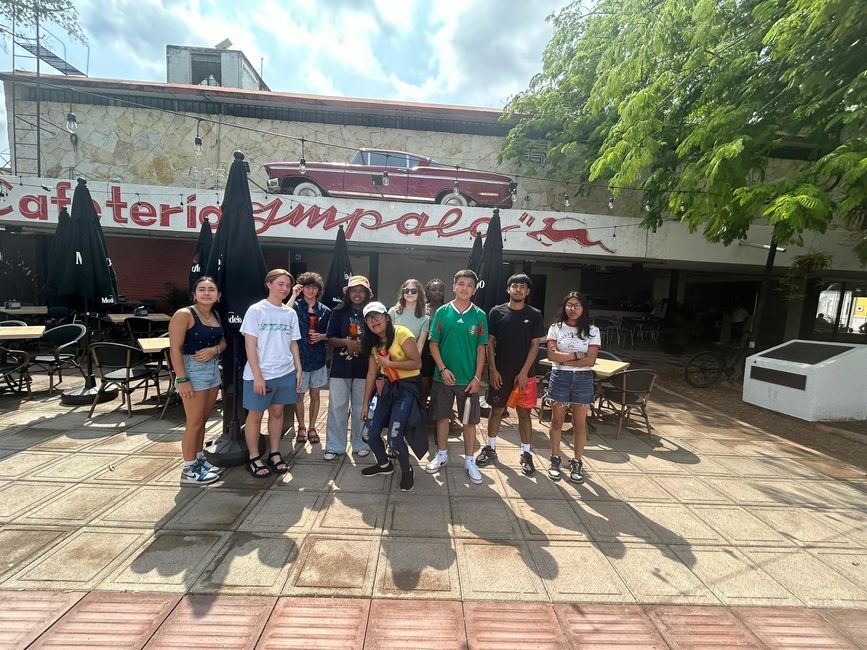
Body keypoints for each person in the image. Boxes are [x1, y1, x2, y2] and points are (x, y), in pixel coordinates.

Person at [424, 269, 488, 484]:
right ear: (454, 287)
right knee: (442, 417)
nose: (464, 288)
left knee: (469, 422)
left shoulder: (479, 315)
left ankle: (469, 460)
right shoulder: (442, 312)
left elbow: (482, 349)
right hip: (444, 378)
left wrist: (477, 378)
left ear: (474, 289)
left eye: (469, 285)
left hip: (468, 381)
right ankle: (441, 454)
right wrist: (443, 369)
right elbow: (433, 343)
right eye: (461, 283)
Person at [477, 274, 544, 476]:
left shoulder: (534, 314)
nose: (518, 290)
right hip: (500, 372)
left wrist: (524, 372)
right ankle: (490, 448)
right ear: (508, 289)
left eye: (522, 287)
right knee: (496, 411)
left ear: (528, 291)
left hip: (526, 375)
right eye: (514, 286)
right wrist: (493, 369)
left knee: (524, 414)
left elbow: (535, 345)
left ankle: (525, 453)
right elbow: (489, 342)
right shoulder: (496, 312)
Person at [240, 269, 303, 478]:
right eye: (280, 284)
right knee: (255, 415)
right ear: (269, 284)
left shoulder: (290, 313)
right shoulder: (256, 310)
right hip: (260, 374)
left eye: (287, 285)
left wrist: (298, 368)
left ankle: (274, 453)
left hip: (285, 372)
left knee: (278, 413)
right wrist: (258, 376)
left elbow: (293, 343)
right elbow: (250, 345)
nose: (284, 289)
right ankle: (254, 457)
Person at [358, 302, 423, 491]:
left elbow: (417, 363)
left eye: (377, 315)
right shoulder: (372, 343)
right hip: (385, 389)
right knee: (368, 434)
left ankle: (407, 469)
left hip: (406, 389)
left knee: (394, 438)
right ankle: (384, 465)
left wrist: (389, 363)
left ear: (387, 317)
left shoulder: (402, 333)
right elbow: (371, 374)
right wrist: (364, 404)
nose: (374, 320)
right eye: (369, 318)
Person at [168, 276, 227, 485]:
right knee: (193, 423)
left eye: (211, 289)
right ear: (194, 294)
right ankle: (189, 468)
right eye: (202, 289)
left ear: (218, 295)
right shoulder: (184, 314)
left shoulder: (215, 314)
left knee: (203, 420)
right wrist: (182, 379)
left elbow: (223, 340)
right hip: (192, 370)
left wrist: (215, 349)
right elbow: (174, 349)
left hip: (212, 369)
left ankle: (199, 459)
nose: (207, 292)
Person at [545, 292, 600, 483]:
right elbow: (552, 357)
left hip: (583, 379)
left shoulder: (593, 331)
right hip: (560, 376)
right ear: (564, 307)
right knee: (557, 421)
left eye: (577, 305)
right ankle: (555, 458)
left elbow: (591, 360)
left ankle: (577, 461)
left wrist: (565, 356)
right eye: (569, 305)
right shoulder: (555, 328)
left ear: (583, 308)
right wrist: (577, 356)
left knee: (579, 424)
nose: (572, 309)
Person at [324, 274, 373, 460]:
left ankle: (360, 443)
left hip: (364, 368)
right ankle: (335, 445)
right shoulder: (338, 312)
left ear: (367, 294)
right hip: (340, 368)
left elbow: (379, 339)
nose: (357, 294)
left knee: (362, 407)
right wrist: (346, 341)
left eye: (361, 291)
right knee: (337, 407)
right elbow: (330, 339)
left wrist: (363, 345)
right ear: (348, 293)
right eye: (354, 290)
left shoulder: (372, 314)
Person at [291, 272, 331, 445]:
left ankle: (312, 427)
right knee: (299, 396)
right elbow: (283, 313)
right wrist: (293, 295)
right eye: (307, 286)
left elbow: (331, 334)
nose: (311, 290)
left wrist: (322, 337)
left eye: (314, 287)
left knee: (315, 395)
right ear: (302, 288)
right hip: (298, 358)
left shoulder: (325, 311)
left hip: (317, 358)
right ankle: (301, 426)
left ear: (318, 289)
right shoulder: (295, 307)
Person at [419, 278, 445, 407]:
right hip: (424, 352)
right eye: (434, 289)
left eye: (440, 289)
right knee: (423, 385)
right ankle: (421, 413)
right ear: (427, 292)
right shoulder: (421, 310)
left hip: (442, 352)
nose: (437, 292)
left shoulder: (448, 310)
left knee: (438, 387)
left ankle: (436, 415)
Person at [388, 278, 430, 353]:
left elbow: (419, 346)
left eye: (413, 291)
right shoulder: (393, 312)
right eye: (406, 291)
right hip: (390, 356)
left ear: (419, 293)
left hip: (410, 360)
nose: (409, 293)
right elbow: (386, 338)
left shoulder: (425, 319)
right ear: (403, 293)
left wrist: (414, 363)